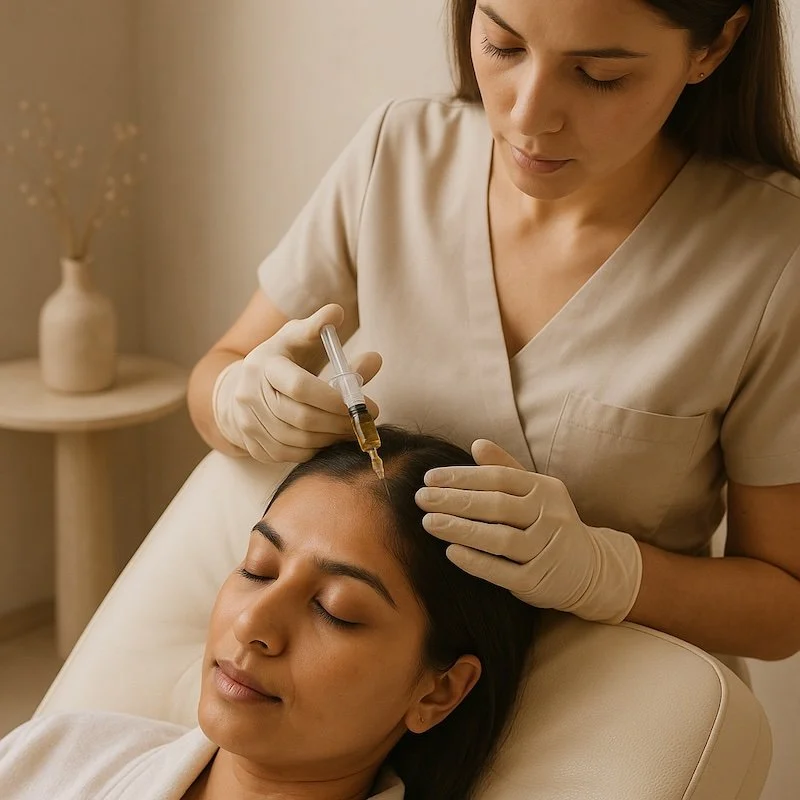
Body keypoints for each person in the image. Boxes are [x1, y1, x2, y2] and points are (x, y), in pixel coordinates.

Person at [187, 0, 800, 663]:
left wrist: (604, 571)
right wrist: (238, 402)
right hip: (355, 669)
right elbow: (216, 372)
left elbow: (781, 613)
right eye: (505, 48)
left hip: (611, 690)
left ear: (712, 48)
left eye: (598, 75)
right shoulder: (401, 152)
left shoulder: (773, 255)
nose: (528, 114)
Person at [0, 428, 538, 800]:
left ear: (438, 691)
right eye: (259, 569)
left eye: (335, 611)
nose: (252, 625)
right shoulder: (53, 753)